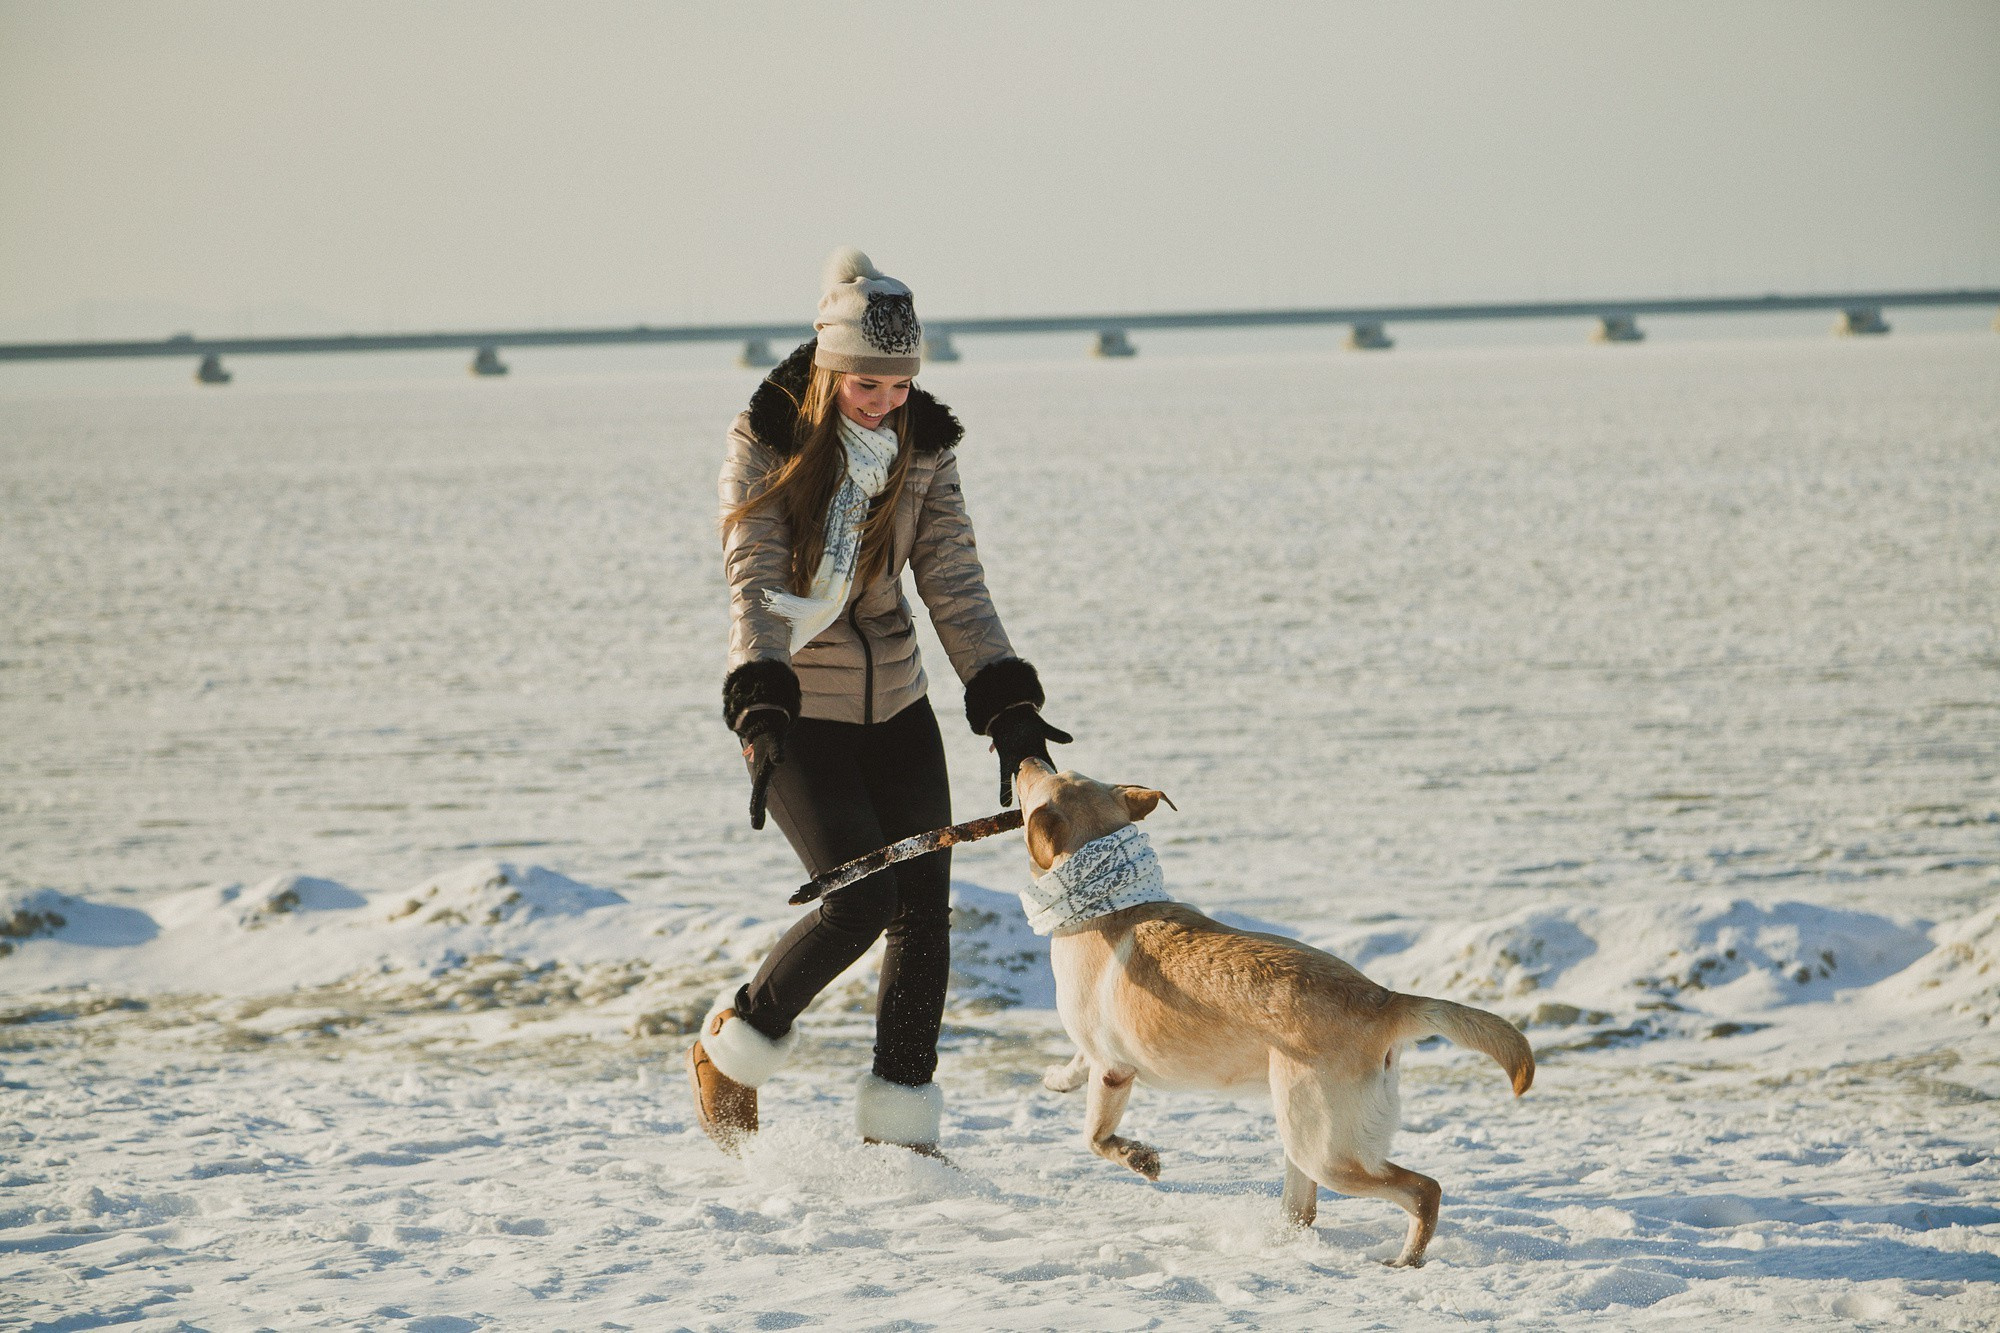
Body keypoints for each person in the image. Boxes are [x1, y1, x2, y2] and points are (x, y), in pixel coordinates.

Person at [689, 247, 1071, 1158]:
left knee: (925, 912)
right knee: (859, 900)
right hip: (799, 713)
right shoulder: (766, 440)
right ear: (828, 370)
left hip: (898, 701)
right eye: (867, 385)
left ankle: (901, 1125)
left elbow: (955, 580)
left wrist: (1004, 700)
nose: (885, 403)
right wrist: (760, 697)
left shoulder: (925, 448)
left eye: (900, 387)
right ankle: (734, 1043)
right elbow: (753, 577)